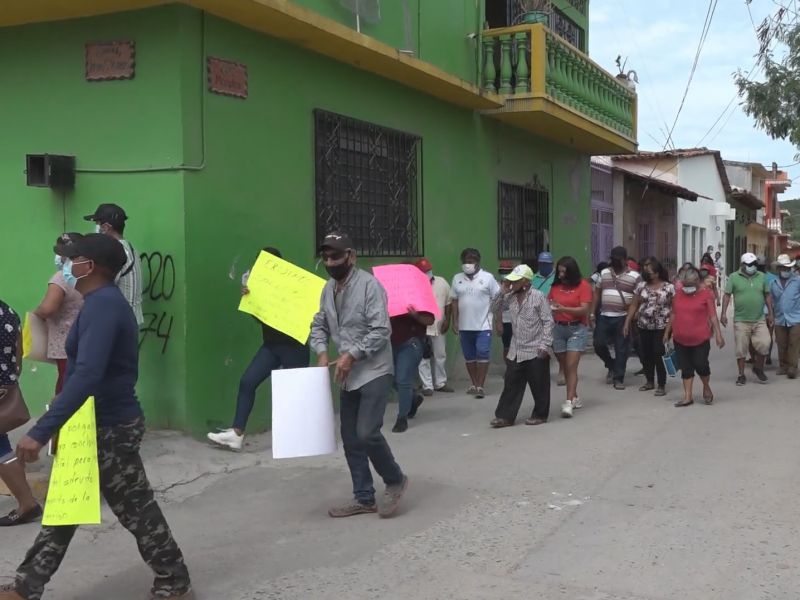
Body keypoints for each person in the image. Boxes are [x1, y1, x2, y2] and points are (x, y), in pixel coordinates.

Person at [0, 234, 192, 600]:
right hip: (91, 422)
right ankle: (26, 587)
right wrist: (62, 423)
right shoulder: (98, 303)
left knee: (136, 509)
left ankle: (174, 582)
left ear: (92, 266)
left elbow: (87, 374)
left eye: (73, 260)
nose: (66, 266)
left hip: (109, 425)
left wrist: (40, 431)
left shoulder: (104, 306)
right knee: (65, 506)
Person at [310, 232, 408, 519]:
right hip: (346, 372)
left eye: (336, 256)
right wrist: (322, 351)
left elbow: (381, 330)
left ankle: (395, 479)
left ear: (351, 257)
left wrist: (351, 354)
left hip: (373, 369)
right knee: (350, 438)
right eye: (326, 257)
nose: (330, 262)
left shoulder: (369, 286)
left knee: (367, 432)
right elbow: (319, 323)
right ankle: (364, 498)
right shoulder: (328, 289)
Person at [207, 247, 311, 451]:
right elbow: (258, 318)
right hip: (271, 345)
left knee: (296, 394)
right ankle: (237, 434)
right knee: (248, 381)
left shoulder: (293, 285)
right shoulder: (257, 284)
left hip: (295, 347)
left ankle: (303, 439)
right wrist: (250, 300)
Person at [488, 265, 554, 428]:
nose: (512, 283)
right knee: (511, 383)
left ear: (525, 281)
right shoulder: (510, 297)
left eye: (515, 281)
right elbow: (493, 308)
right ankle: (505, 416)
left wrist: (545, 345)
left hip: (535, 347)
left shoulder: (538, 297)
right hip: (516, 349)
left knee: (539, 384)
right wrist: (503, 290)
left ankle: (540, 414)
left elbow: (548, 321)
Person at [0, 301, 41, 529]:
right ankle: (27, 504)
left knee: (0, 447)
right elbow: (18, 352)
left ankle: (27, 504)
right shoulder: (7, 311)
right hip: (5, 382)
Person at [33, 234, 85, 395]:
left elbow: (48, 308)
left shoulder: (61, 278)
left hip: (65, 343)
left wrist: (37, 312)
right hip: (86, 338)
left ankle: (65, 419)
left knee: (66, 385)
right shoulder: (90, 273)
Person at [665, 267, 724, 407]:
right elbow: (673, 313)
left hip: (700, 338)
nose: (687, 288)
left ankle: (706, 386)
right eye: (684, 285)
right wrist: (667, 331)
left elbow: (712, 315)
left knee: (701, 365)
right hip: (680, 337)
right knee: (686, 367)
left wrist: (718, 335)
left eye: (690, 285)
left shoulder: (706, 294)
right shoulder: (678, 293)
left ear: (697, 282)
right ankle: (687, 397)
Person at [449, 248, 500, 398]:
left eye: (470, 262)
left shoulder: (488, 278)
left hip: (483, 325)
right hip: (465, 326)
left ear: (477, 263)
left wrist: (499, 322)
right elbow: (454, 301)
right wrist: (455, 321)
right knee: (469, 356)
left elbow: (498, 300)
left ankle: (481, 386)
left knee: (482, 353)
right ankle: (474, 383)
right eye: (464, 262)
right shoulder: (457, 278)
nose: (467, 265)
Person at [589, 246, 641, 390]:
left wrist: (628, 321)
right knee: (598, 344)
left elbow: (635, 302)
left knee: (621, 349)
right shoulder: (604, 273)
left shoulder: (635, 276)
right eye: (613, 259)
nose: (615, 262)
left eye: (618, 260)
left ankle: (618, 378)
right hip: (604, 316)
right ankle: (611, 365)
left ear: (625, 260)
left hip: (622, 317)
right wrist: (592, 313)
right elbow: (597, 294)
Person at [83, 203, 143, 325]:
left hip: (119, 320)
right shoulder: (128, 247)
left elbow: (100, 285)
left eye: (97, 224)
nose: (96, 228)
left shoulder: (115, 250)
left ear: (106, 227)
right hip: (128, 318)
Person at [623, 257, 675, 397]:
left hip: (662, 326)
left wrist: (668, 330)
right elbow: (634, 304)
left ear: (657, 273)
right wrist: (627, 321)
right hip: (644, 325)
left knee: (659, 353)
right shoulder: (641, 286)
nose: (645, 273)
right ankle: (649, 381)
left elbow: (674, 310)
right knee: (646, 354)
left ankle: (662, 384)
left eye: (649, 271)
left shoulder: (669, 288)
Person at [721, 252, 774, 386]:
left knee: (765, 343)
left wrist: (771, 314)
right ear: (743, 265)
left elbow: (767, 295)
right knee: (741, 348)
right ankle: (741, 374)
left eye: (754, 264)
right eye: (749, 265)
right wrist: (723, 313)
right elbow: (727, 295)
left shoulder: (761, 277)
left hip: (759, 318)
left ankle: (758, 367)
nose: (752, 266)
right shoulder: (734, 277)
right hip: (741, 320)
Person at [548, 257, 591, 418]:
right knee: (565, 365)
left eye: (564, 271)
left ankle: (568, 402)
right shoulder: (556, 286)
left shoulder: (583, 286)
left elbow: (583, 310)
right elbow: (549, 302)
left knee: (571, 365)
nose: (561, 274)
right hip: (558, 328)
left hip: (576, 328)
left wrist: (564, 308)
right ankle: (575, 396)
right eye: (559, 271)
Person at [390, 304, 434, 433]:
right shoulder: (385, 294)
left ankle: (402, 418)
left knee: (403, 379)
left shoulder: (416, 294)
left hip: (411, 342)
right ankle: (413, 399)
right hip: (388, 343)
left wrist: (416, 316)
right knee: (389, 378)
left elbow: (430, 320)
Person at [414, 258, 454, 396]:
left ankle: (440, 382)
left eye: (429, 271)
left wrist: (447, 320)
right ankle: (427, 386)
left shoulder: (442, 282)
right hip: (422, 327)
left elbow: (448, 302)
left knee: (440, 355)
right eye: (424, 271)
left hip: (439, 326)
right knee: (423, 357)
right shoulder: (414, 287)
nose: (427, 273)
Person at [770, 254, 800, 378]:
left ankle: (793, 368)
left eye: (787, 268)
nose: (786, 270)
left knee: (794, 342)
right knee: (781, 343)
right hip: (779, 317)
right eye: (783, 268)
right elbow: (770, 300)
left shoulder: (798, 280)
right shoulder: (773, 283)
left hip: (796, 317)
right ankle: (783, 366)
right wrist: (770, 315)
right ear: (778, 269)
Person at [495, 262, 515, 368]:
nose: (505, 274)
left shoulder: (517, 286)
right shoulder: (497, 286)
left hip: (517, 320)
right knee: (506, 346)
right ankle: (509, 369)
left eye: (507, 272)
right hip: (505, 321)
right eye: (503, 272)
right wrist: (499, 322)